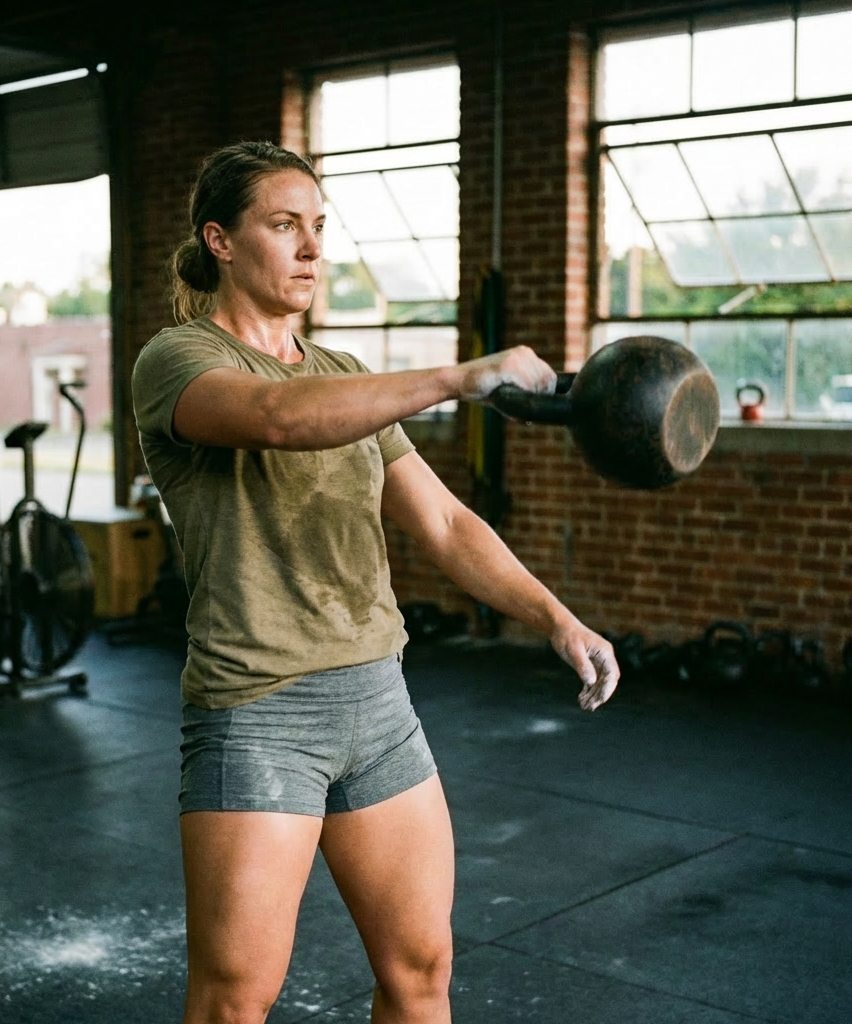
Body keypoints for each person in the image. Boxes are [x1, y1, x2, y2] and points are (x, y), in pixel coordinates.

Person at [131, 140, 619, 1024]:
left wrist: (555, 616)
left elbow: (443, 522)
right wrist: (457, 376)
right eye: (285, 227)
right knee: (234, 999)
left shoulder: (346, 376)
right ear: (222, 241)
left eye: (319, 227)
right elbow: (277, 421)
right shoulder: (177, 360)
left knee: (421, 969)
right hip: (259, 714)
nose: (313, 248)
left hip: (378, 706)